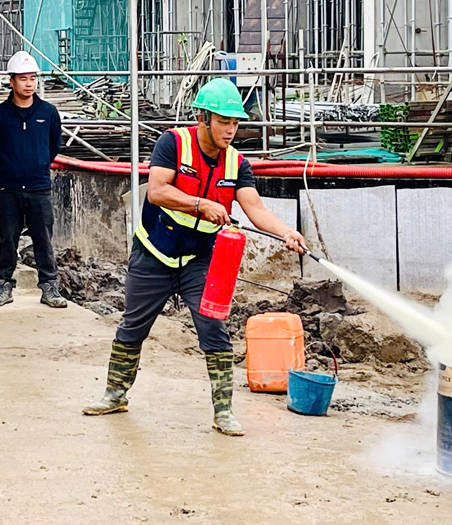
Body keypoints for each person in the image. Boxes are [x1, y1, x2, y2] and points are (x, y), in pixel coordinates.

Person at [83, 78, 307, 436]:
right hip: (153, 254)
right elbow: (157, 192)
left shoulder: (236, 163)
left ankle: (224, 412)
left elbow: (254, 208)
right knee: (132, 327)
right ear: (203, 119)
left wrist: (286, 232)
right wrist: (202, 204)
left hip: (199, 260)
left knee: (213, 329)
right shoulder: (173, 143)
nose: (230, 130)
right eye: (223, 121)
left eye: (235, 123)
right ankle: (114, 395)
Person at [0, 51, 66, 309]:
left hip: (39, 188)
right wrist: (12, 167)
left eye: (32, 78)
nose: (29, 84)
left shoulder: (48, 113)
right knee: (8, 239)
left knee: (44, 239)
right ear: (12, 81)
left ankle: (49, 286)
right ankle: (3, 285)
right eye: (23, 78)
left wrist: (37, 165)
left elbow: (53, 145)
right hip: (9, 188)